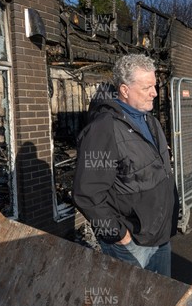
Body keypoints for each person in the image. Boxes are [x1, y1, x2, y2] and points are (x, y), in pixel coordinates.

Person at [73, 54, 179, 277]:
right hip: (131, 243)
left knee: (164, 303)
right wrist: (118, 235)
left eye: (155, 85)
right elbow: (87, 193)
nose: (155, 93)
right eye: (147, 87)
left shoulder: (150, 120)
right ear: (124, 89)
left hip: (160, 236)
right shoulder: (104, 128)